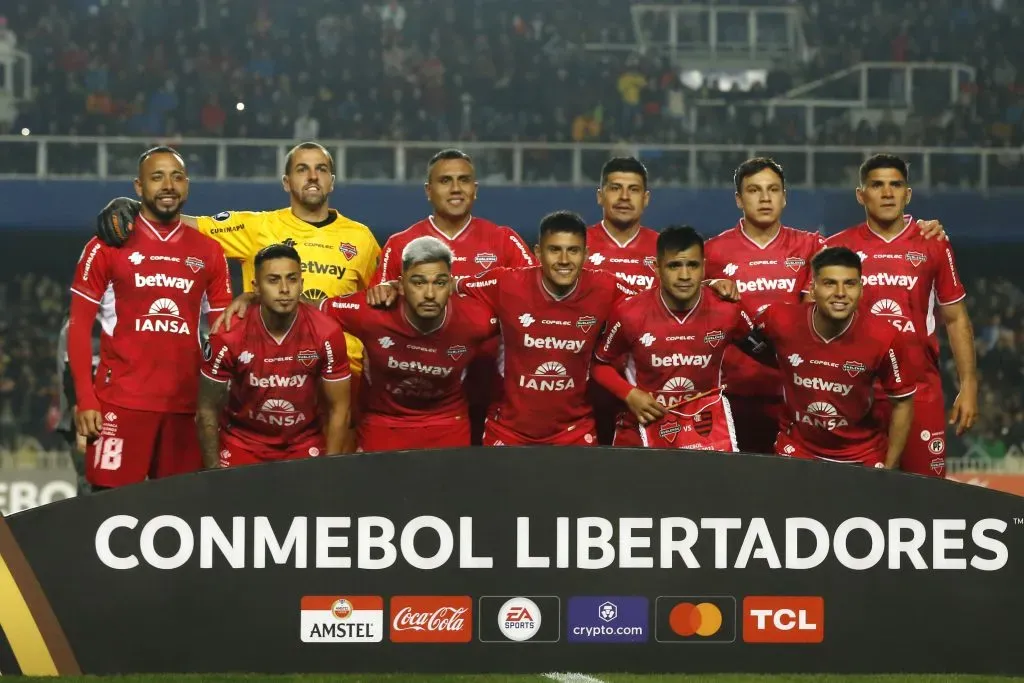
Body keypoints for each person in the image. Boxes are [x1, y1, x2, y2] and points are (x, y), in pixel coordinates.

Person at [93, 142, 381, 451]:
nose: (313, 177)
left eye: (321, 169)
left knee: (334, 481)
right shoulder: (258, 227)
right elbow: (189, 224)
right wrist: (133, 206)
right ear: (286, 182)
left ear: (332, 180)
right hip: (271, 374)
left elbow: (375, 303)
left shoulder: (361, 238)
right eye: (302, 169)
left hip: (340, 374)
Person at [705, 156, 950, 456]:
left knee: (796, 496)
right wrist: (708, 288)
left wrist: (921, 228)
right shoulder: (712, 252)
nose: (765, 198)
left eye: (772, 190)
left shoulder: (813, 246)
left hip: (800, 399)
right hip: (736, 394)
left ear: (784, 197)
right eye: (754, 190)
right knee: (739, 492)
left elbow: (824, 310)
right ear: (739, 200)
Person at [68, 146, 233, 489]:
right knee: (105, 508)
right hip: (120, 402)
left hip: (185, 407)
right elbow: (79, 327)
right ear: (139, 187)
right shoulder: (105, 245)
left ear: (187, 185)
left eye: (176, 177)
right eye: (157, 177)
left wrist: (219, 403)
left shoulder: (209, 252)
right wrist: (85, 398)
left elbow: (224, 333)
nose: (168, 185)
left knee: (177, 515)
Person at [370, 148, 534, 446]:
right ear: (428, 191)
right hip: (422, 396)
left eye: (464, 180)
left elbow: (536, 296)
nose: (456, 188)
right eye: (446, 181)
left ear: (475, 189)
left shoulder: (504, 240)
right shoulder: (401, 244)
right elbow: (377, 308)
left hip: (496, 391)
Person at [827, 154, 977, 477]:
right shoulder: (837, 249)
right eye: (877, 185)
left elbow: (955, 318)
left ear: (908, 194)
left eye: (896, 185)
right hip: (857, 394)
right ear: (860, 194)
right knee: (855, 497)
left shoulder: (933, 243)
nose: (887, 193)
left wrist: (969, 385)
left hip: (920, 391)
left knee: (926, 498)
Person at [453, 210, 637, 446]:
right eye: (554, 250)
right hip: (507, 431)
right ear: (538, 253)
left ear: (586, 255)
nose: (563, 260)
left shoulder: (606, 287)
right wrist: (393, 287)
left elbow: (650, 305)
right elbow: (450, 286)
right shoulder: (506, 283)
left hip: (574, 431)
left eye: (573, 250)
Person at [322, 236, 498, 452]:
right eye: (418, 283)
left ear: (451, 286)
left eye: (440, 283)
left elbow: (525, 315)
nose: (430, 294)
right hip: (383, 423)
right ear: (401, 285)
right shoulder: (371, 311)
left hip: (447, 423)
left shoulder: (477, 321)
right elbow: (309, 311)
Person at [592, 226, 756, 450]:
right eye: (674, 266)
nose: (685, 276)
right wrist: (629, 394)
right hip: (641, 429)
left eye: (693, 265)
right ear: (657, 268)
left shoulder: (728, 310)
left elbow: (765, 350)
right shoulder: (630, 313)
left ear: (704, 268)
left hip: (705, 431)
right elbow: (599, 364)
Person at [752, 247, 917, 468]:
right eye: (830, 283)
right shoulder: (779, 319)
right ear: (812, 288)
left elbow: (903, 403)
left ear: (861, 288)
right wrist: (711, 286)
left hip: (862, 454)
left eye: (850, 284)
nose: (841, 293)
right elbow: (745, 334)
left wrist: (889, 467)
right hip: (798, 448)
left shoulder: (885, 336)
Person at [197, 244, 352, 467]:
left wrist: (329, 470)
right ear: (256, 288)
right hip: (243, 443)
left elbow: (339, 409)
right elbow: (207, 411)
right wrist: (212, 473)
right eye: (273, 280)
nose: (284, 289)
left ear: (301, 284)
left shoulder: (327, 332)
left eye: (292, 279)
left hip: (303, 444)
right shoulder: (228, 334)